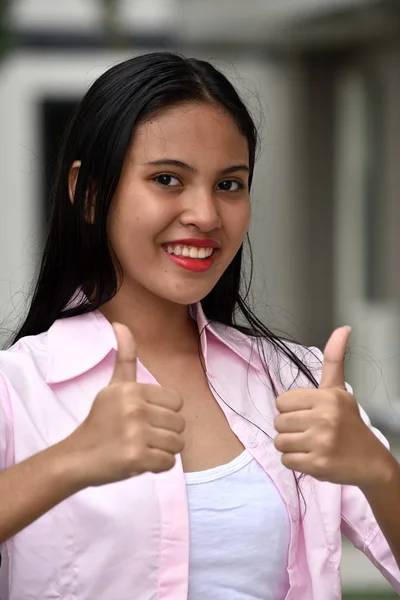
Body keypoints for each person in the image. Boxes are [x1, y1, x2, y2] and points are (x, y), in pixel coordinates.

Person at [0, 51, 399, 600]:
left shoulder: (294, 383)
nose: (206, 215)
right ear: (89, 191)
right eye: (168, 179)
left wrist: (380, 470)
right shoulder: (16, 391)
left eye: (229, 185)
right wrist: (70, 460)